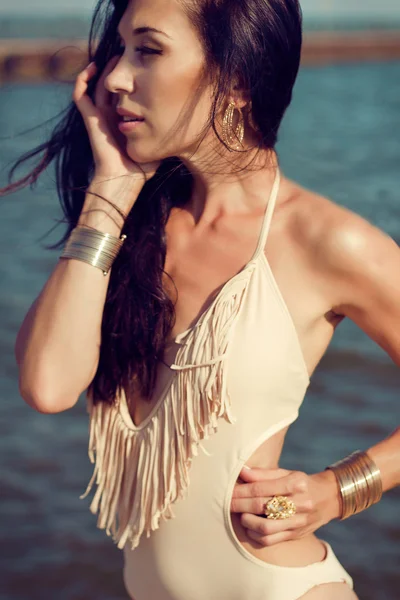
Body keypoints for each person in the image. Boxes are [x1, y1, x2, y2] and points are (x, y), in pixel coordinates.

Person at [9, 0, 400, 599]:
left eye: (149, 49)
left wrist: (339, 488)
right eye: (120, 48)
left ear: (237, 79)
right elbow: (49, 385)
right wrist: (107, 195)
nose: (114, 76)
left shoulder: (326, 241)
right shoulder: (129, 227)